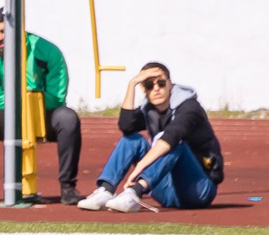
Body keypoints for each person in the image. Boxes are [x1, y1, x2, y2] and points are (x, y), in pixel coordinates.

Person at [0, 9, 83, 205]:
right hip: (9, 116)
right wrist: (20, 108)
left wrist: (31, 103)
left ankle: (68, 187)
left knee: (68, 119)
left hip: (43, 116)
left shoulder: (48, 50)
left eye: (3, 32)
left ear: (18, 30)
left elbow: (57, 96)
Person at [79, 63, 224, 212]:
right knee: (131, 139)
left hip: (198, 189)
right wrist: (132, 84)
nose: (156, 89)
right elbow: (126, 126)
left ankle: (134, 193)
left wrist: (140, 166)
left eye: (161, 83)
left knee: (175, 144)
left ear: (170, 84)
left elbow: (172, 137)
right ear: (144, 89)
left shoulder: (190, 107)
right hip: (167, 190)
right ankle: (105, 190)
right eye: (149, 85)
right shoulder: (149, 109)